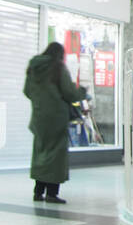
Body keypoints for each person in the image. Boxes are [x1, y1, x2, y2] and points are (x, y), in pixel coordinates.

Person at [23, 41, 88, 204]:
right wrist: (82, 92)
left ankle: (38, 192)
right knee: (55, 156)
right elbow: (69, 93)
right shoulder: (57, 68)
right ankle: (52, 193)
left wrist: (40, 101)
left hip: (38, 117)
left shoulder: (33, 68)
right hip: (56, 118)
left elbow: (27, 91)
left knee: (40, 153)